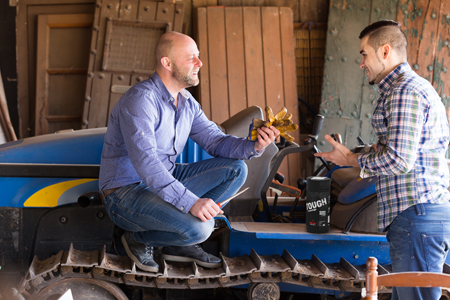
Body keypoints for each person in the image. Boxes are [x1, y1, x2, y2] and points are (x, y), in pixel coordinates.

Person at [99, 31, 279, 272]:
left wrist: (255, 146)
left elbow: (215, 142)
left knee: (236, 169)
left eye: (199, 56)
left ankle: (176, 239)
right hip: (125, 192)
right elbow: (148, 165)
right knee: (200, 229)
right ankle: (138, 239)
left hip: (162, 181)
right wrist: (191, 203)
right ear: (167, 63)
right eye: (191, 57)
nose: (199, 63)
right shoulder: (141, 100)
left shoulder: (186, 102)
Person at [315, 20, 450, 300]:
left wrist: (354, 160)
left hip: (417, 215)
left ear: (385, 51)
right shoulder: (402, 90)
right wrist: (353, 156)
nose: (361, 63)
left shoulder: (404, 92)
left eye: (364, 54)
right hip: (416, 216)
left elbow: (399, 160)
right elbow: (391, 149)